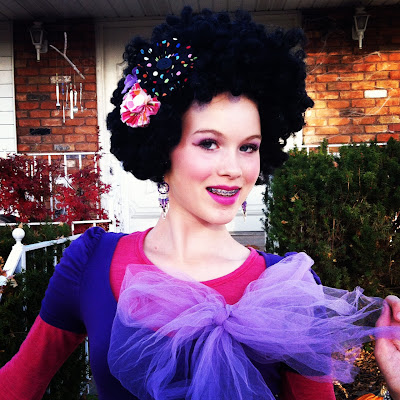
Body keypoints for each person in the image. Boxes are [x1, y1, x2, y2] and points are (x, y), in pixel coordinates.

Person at [1, 7, 400, 400]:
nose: (233, 169)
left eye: (248, 147)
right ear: (162, 147)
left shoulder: (287, 289)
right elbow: (17, 384)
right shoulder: (91, 263)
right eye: (209, 143)